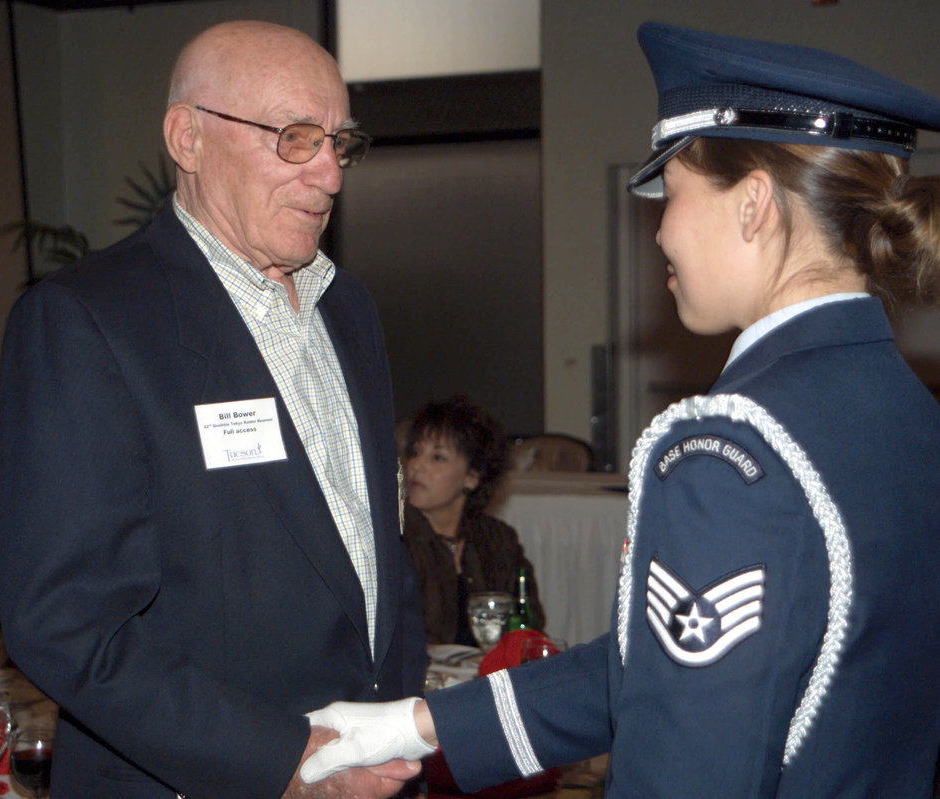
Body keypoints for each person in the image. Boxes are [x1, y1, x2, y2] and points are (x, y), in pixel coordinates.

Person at [295, 22, 940, 798]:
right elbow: (672, 667)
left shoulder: (727, 451)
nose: (661, 229)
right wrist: (417, 725)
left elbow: (687, 762)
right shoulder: (907, 411)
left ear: (754, 204)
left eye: (672, 192)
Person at [0, 20, 426, 799]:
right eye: (295, 138)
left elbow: (375, 552)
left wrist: (398, 731)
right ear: (187, 138)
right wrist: (282, 759)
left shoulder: (347, 309)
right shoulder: (88, 321)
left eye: (340, 143)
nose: (330, 174)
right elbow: (66, 620)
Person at [401, 394, 544, 646]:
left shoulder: (498, 540)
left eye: (437, 457)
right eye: (415, 453)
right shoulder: (394, 539)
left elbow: (528, 628)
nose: (416, 466)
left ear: (471, 477)